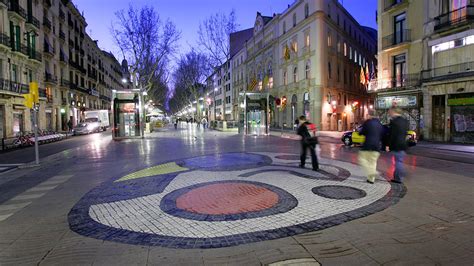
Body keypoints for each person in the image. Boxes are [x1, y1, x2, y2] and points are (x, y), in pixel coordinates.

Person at [358, 112, 384, 184]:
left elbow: (361, 132)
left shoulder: (368, 122)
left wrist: (360, 131)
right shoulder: (380, 124)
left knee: (362, 159)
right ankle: (371, 179)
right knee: (373, 162)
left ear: (369, 115)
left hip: (368, 145)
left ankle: (372, 172)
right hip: (377, 146)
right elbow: (382, 134)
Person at [388, 107, 409, 184]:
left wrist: (388, 145)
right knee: (399, 161)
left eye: (390, 112)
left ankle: (399, 177)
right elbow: (405, 133)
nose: (389, 113)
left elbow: (392, 135)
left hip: (396, 145)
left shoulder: (394, 122)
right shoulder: (405, 121)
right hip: (403, 144)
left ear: (394, 112)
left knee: (398, 162)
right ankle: (397, 177)